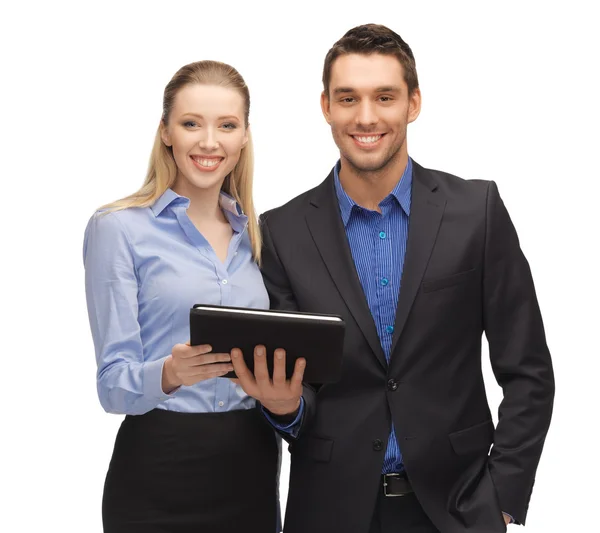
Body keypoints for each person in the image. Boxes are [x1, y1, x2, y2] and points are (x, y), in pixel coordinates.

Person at [231, 24, 555, 533]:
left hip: (457, 512)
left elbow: (529, 371)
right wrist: (286, 409)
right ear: (326, 107)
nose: (366, 116)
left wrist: (502, 497)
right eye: (348, 98)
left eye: (385, 96)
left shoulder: (477, 212)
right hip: (329, 513)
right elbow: (299, 394)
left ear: (414, 103)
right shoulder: (281, 232)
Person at [83, 60, 283, 533]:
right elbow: (111, 385)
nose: (209, 142)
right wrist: (169, 373)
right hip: (159, 466)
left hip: (249, 465)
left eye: (227, 125)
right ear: (166, 132)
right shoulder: (118, 229)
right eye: (191, 123)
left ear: (245, 137)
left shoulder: (260, 239)